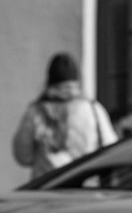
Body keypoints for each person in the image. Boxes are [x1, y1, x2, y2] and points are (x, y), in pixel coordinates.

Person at [11, 51, 118, 180]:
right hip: (86, 190)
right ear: (77, 81)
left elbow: (23, 156)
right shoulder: (93, 109)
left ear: (50, 81)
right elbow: (111, 150)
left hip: (47, 189)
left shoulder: (35, 112)